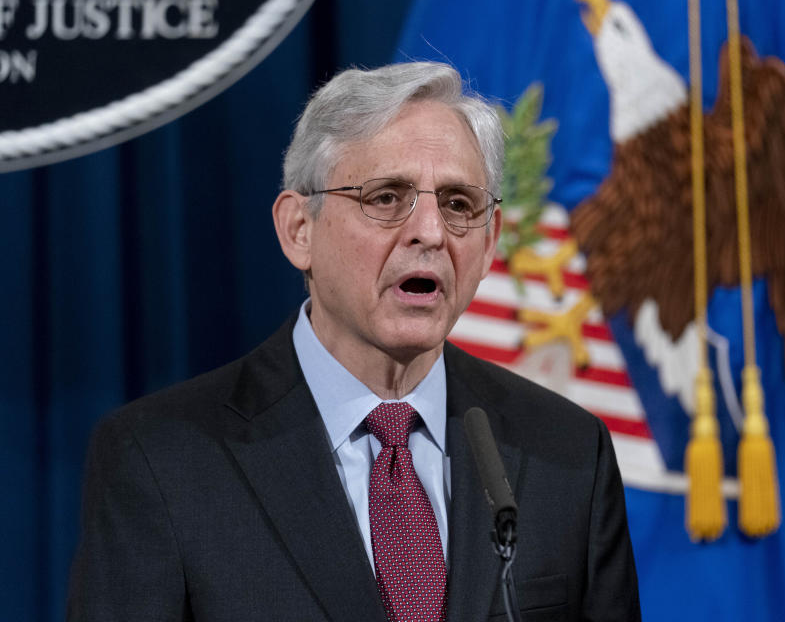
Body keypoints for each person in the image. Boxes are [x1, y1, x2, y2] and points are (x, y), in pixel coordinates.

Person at [67, 61, 641, 621]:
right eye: (386, 198)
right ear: (299, 231)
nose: (431, 232)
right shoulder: (162, 460)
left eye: (458, 204)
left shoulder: (567, 453)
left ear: (490, 245)